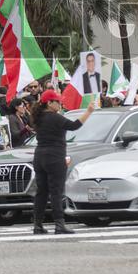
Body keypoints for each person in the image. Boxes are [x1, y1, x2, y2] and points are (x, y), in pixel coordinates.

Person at [30, 89, 95, 234]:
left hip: (39, 156)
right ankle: (59, 224)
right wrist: (89, 111)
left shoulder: (38, 117)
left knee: (41, 192)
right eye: (57, 101)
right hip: (55, 155)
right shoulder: (55, 118)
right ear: (49, 103)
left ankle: (37, 225)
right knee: (56, 191)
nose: (60, 104)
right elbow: (74, 126)